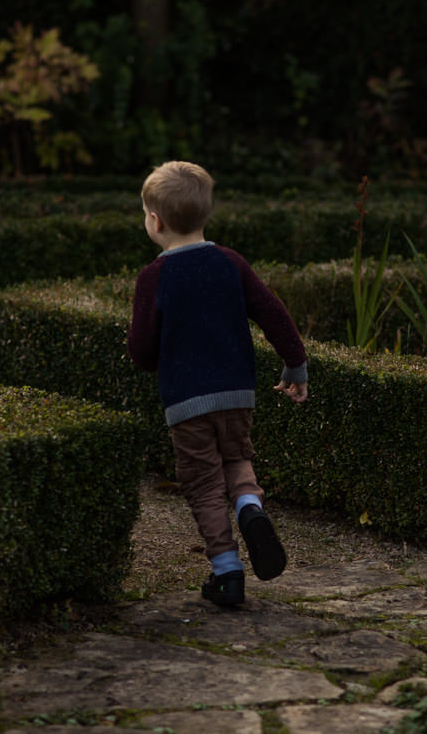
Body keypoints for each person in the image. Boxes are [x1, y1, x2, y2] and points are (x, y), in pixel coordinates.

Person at [128, 160, 309, 606]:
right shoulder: (231, 262)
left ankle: (227, 573)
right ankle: (251, 508)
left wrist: (157, 361)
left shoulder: (154, 278)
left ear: (155, 221)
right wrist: (295, 365)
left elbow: (141, 351)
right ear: (206, 215)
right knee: (237, 459)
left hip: (188, 404)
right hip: (237, 393)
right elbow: (272, 311)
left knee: (204, 484)